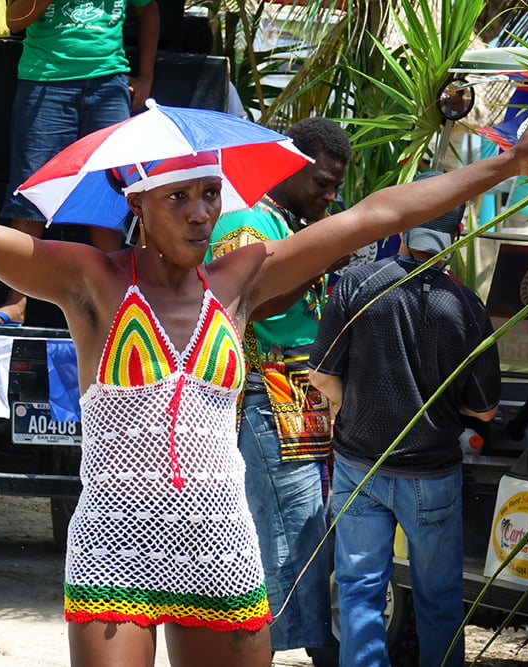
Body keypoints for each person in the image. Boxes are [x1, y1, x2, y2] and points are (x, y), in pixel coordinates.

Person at [0, 112, 528, 666]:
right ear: (136, 202)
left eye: (209, 193)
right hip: (116, 540)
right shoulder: (91, 282)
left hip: (219, 536)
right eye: (178, 197)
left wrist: (504, 165)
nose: (201, 212)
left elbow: (375, 214)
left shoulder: (241, 281)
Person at [308, 174, 502, 667]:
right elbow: (484, 410)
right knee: (439, 598)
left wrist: (349, 410)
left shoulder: (357, 283)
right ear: (455, 236)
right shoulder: (466, 305)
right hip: (432, 474)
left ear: (401, 228)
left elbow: (322, 376)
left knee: (359, 593)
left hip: (359, 467)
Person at [206, 117, 350, 664]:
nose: (330, 197)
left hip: (295, 401)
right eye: (321, 183)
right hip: (267, 400)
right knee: (294, 532)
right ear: (290, 166)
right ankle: (311, 649)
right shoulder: (248, 220)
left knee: (305, 527)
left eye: (336, 187)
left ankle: (314, 643)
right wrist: (317, 266)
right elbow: (250, 302)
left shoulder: (276, 218)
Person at [0, 0, 160, 326]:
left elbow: (149, 10)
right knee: (31, 192)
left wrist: (145, 76)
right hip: (44, 78)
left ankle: (112, 303)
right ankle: (17, 301)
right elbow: (13, 21)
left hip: (108, 82)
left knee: (109, 193)